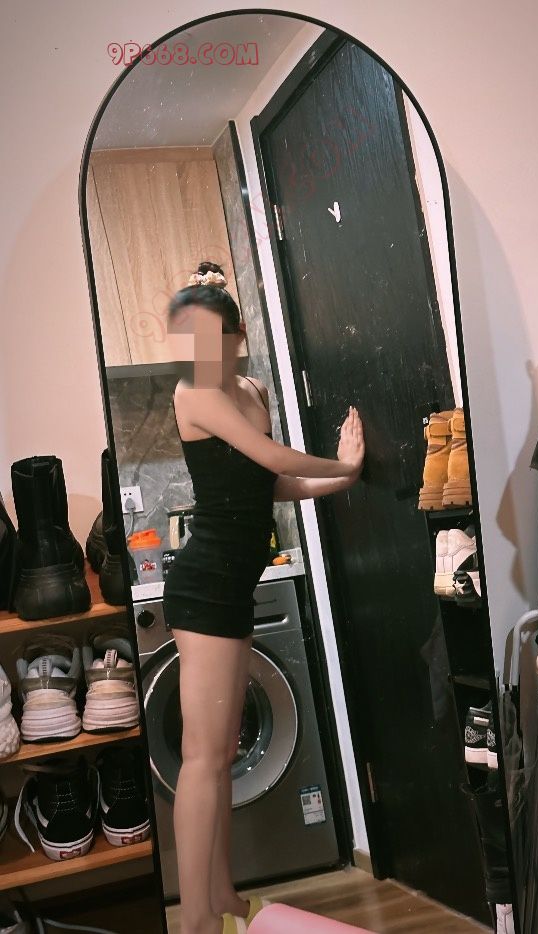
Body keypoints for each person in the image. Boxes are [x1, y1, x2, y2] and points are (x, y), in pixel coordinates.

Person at [162, 262, 364, 934]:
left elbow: (272, 484)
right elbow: (277, 460)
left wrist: (340, 482)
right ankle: (196, 921)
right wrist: (345, 464)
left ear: (238, 336)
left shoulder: (251, 390)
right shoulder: (194, 391)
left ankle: (222, 900)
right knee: (203, 756)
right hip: (205, 587)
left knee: (219, 755)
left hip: (233, 586)